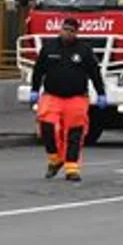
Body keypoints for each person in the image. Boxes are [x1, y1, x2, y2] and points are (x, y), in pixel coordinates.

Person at [29, 17, 108, 182]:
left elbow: (94, 73)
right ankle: (55, 158)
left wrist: (101, 93)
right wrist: (34, 90)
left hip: (76, 98)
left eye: (71, 31)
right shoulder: (49, 48)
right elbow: (38, 70)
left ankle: (72, 168)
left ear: (76, 33)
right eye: (65, 29)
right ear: (60, 29)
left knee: (75, 134)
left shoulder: (84, 50)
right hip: (52, 96)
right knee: (47, 128)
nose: (67, 33)